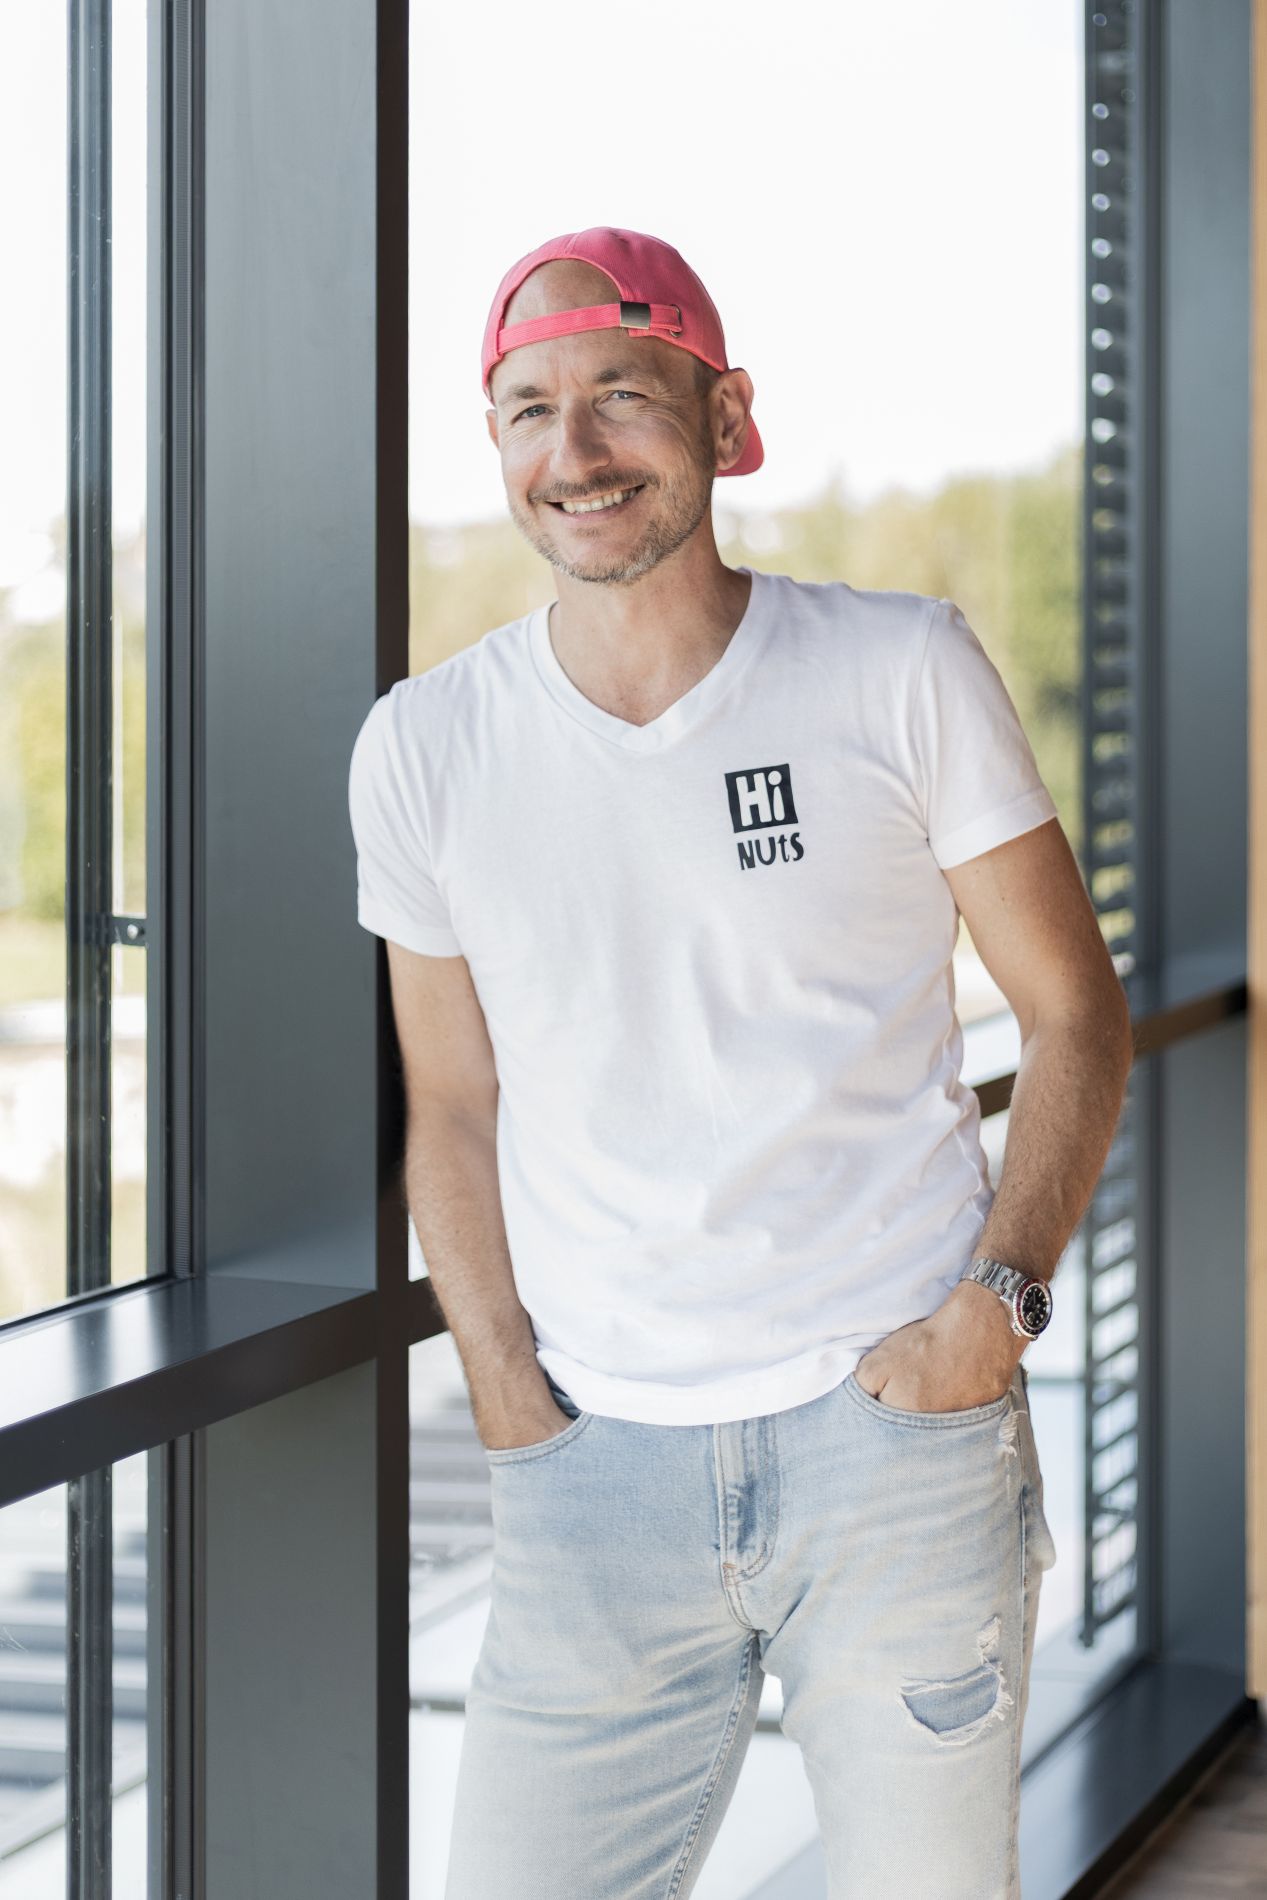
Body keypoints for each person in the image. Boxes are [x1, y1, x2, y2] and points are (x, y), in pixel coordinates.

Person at [347, 226, 1134, 1899]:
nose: (575, 450)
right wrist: (507, 1400)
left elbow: (1076, 1008)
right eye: (530, 410)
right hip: (591, 1475)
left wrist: (993, 1313)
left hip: (897, 1443)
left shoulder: (897, 668)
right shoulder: (425, 748)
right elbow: (454, 1108)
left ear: (724, 415)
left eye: (622, 396)